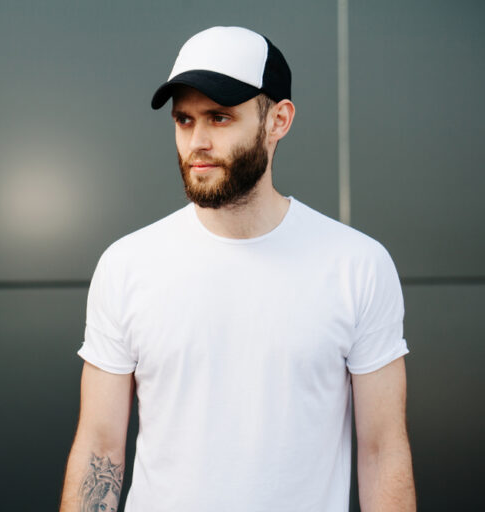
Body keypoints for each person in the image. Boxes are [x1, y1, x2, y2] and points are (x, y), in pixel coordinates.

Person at [59, 26, 416, 512]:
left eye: (220, 117)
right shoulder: (127, 265)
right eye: (184, 120)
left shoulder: (357, 265)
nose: (197, 142)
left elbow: (382, 452)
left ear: (279, 120)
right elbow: (100, 449)